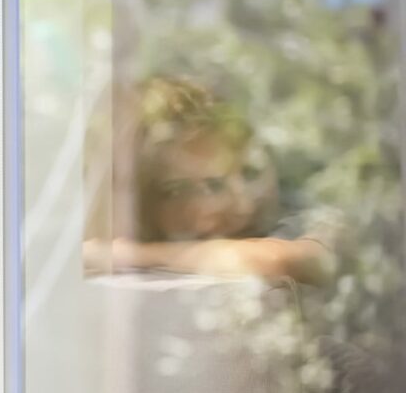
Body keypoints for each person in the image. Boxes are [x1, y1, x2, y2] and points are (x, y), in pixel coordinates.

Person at [85, 76, 337, 285]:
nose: (243, 204)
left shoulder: (305, 211)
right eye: (209, 187)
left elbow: (289, 260)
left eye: (250, 173)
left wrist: (133, 255)